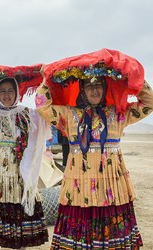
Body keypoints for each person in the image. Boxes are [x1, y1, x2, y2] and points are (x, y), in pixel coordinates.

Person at [36, 67, 153, 249]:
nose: (95, 90)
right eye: (89, 86)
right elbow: (42, 106)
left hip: (110, 188)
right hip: (79, 189)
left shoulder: (118, 114)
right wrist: (46, 79)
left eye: (98, 85)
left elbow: (149, 103)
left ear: (105, 88)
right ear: (82, 89)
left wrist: (133, 76)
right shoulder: (69, 115)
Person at [0, 76, 49, 250]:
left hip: (18, 168)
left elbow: (45, 116)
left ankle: (20, 245)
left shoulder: (26, 112)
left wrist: (45, 85)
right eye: (2, 91)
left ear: (17, 93)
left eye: (10, 91)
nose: (6, 95)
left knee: (18, 207)